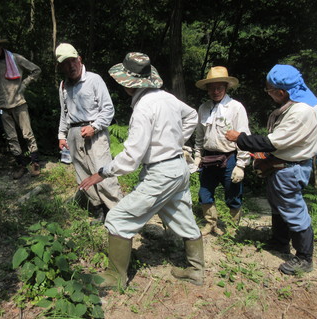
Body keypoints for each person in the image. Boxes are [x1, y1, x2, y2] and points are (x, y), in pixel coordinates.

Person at [79, 52, 204, 288]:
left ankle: (116, 277)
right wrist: (175, 143)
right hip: (179, 168)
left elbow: (131, 158)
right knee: (183, 217)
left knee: (118, 218)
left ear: (127, 83)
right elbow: (192, 116)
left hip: (161, 174)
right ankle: (196, 271)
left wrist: (103, 172)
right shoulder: (167, 98)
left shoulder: (143, 109)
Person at [225, 64, 317, 275]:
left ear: (281, 92)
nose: (269, 94)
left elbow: (271, 142)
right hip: (283, 165)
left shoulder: (301, 112)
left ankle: (304, 257)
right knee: (278, 204)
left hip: (290, 168)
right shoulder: (303, 101)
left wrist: (240, 138)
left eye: (269, 91)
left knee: (293, 209)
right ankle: (279, 241)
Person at [55, 43, 123, 223]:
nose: (70, 66)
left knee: (103, 172)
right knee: (83, 174)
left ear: (79, 59)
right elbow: (64, 112)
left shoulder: (94, 80)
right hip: (74, 133)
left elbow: (108, 109)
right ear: (61, 67)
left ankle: (116, 211)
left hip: (95, 133)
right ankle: (98, 208)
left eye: (72, 61)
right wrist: (62, 135)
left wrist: (95, 126)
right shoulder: (63, 86)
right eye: (65, 63)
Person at [194, 66, 251, 235]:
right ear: (207, 89)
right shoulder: (203, 108)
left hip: (230, 157)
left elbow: (244, 136)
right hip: (209, 157)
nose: (216, 91)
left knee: (233, 194)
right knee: (204, 192)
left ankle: (233, 228)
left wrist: (241, 164)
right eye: (212, 88)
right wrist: (197, 155)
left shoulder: (236, 107)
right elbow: (199, 136)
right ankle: (210, 223)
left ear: (226, 88)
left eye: (219, 87)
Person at [0, 31, 41, 179]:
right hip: (2, 106)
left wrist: (24, 84)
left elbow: (36, 70)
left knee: (27, 133)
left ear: (0, 45)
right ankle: (20, 165)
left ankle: (35, 162)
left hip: (19, 102)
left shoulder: (15, 58)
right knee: (11, 137)